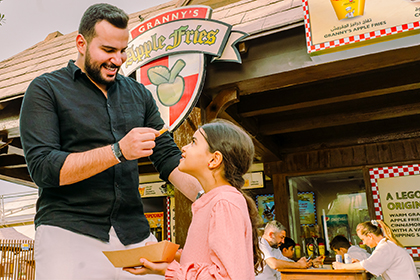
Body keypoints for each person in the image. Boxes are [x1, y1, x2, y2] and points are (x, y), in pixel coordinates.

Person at [19, 3, 202, 280]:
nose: (118, 60)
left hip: (135, 236)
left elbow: (167, 157)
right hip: (69, 233)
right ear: (81, 43)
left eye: (122, 50)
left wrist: (212, 197)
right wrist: (119, 151)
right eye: (108, 50)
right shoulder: (45, 89)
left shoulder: (139, 94)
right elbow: (44, 168)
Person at [124, 119, 264, 279]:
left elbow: (227, 277)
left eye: (193, 142)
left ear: (214, 160)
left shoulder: (223, 203)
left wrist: (168, 270)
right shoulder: (214, 200)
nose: (183, 147)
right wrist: (170, 257)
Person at [332, 220, 418, 280]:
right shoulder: (387, 245)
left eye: (363, 239)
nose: (364, 243)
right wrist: (359, 263)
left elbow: (368, 264)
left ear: (370, 236)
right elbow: (372, 264)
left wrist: (342, 266)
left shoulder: (385, 248)